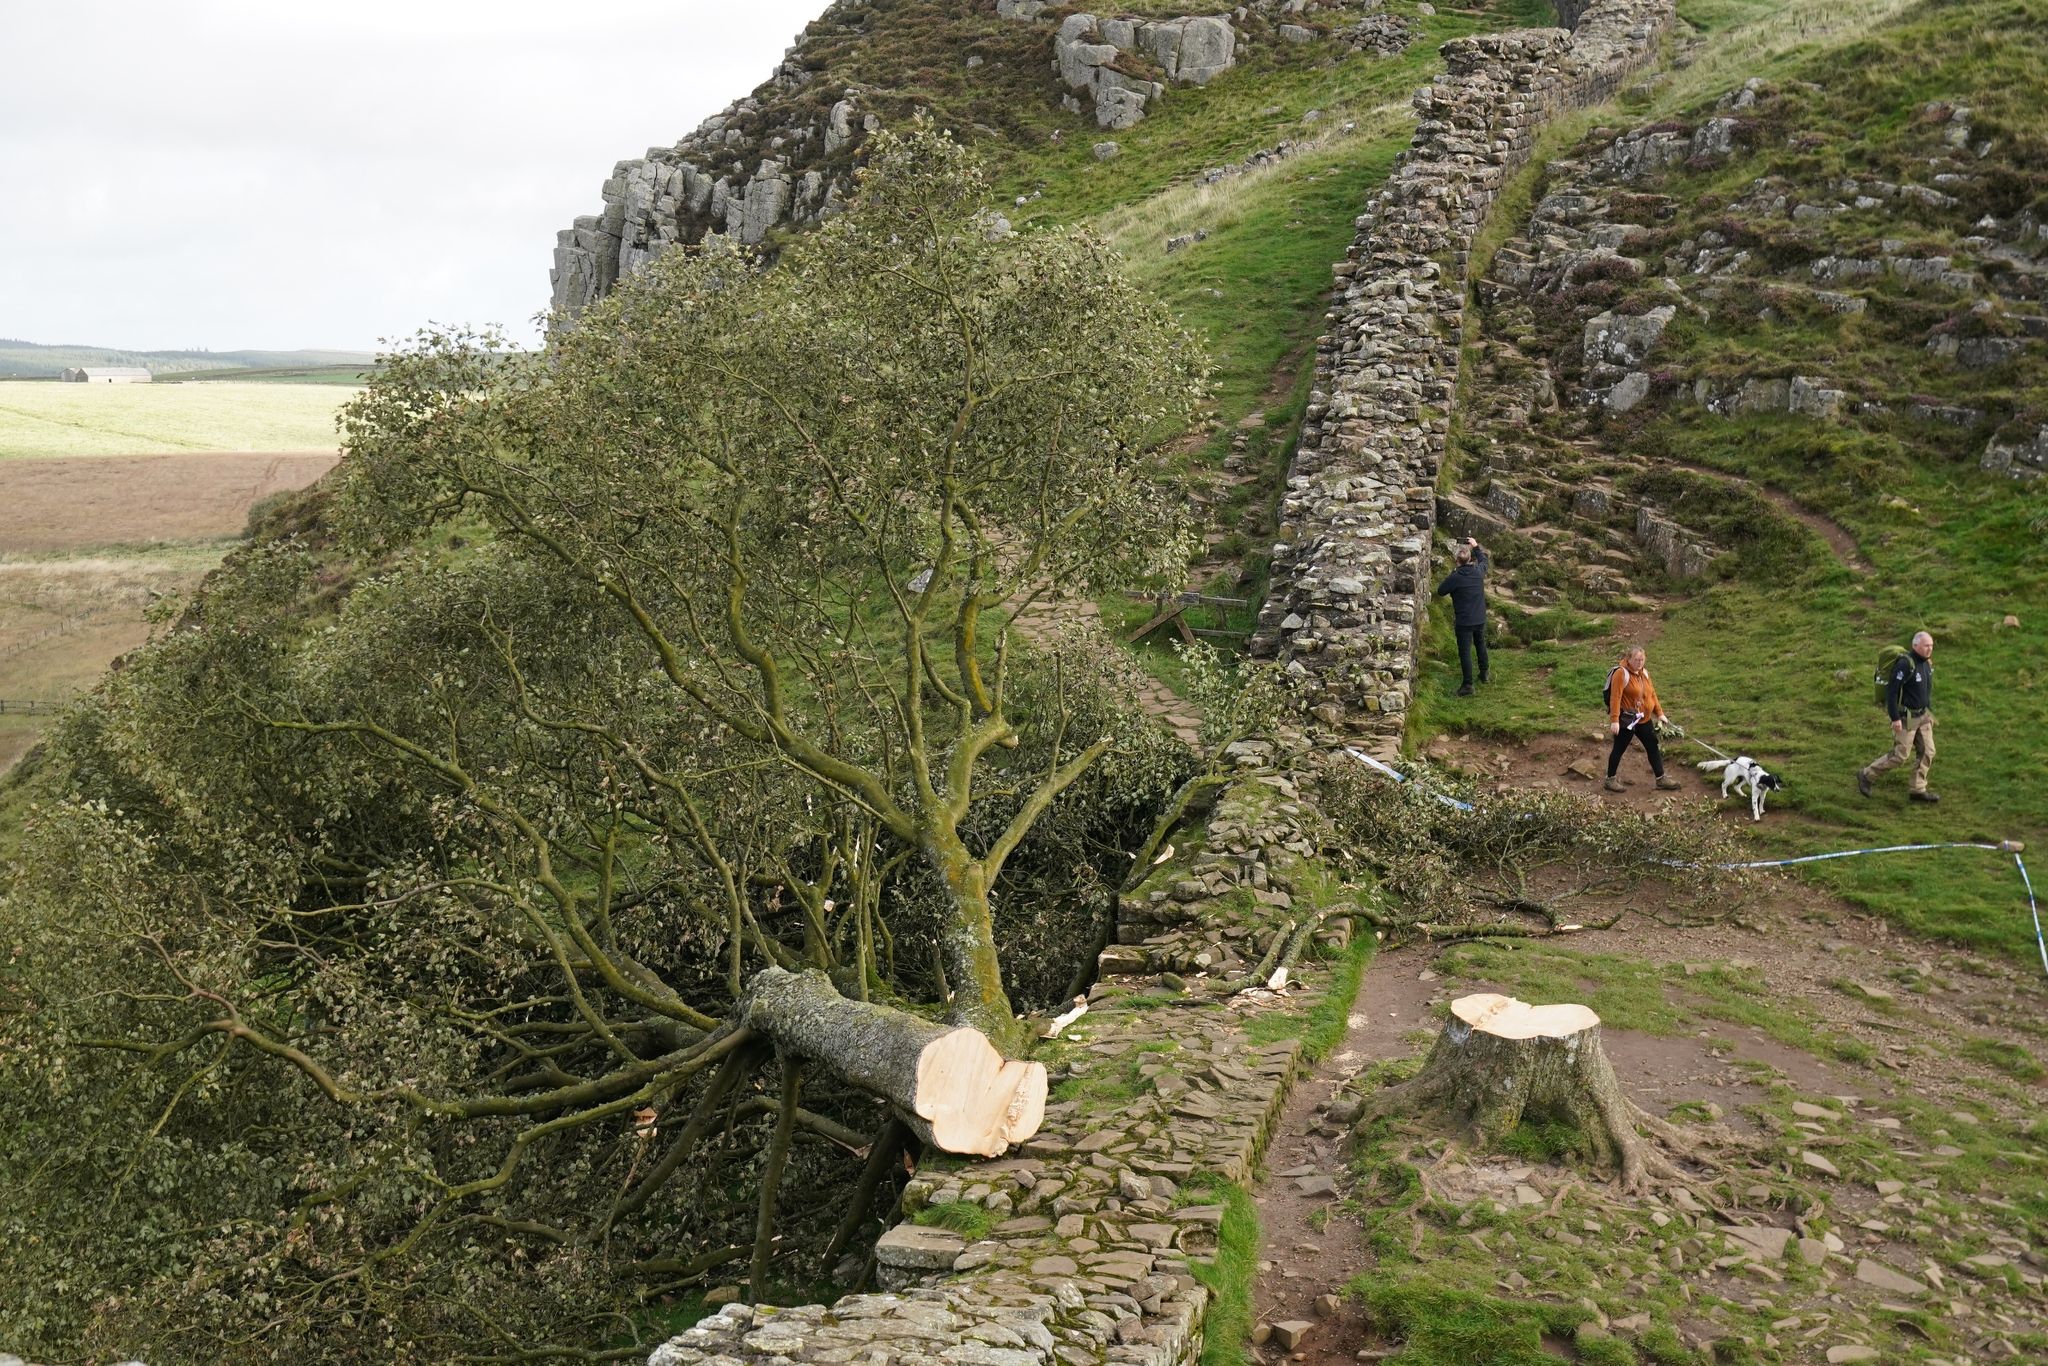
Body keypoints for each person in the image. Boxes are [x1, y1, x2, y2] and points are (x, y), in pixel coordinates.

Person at [1859, 631, 1938, 803]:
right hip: (1906, 717)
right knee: (1900, 756)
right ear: (1915, 645)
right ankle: (1866, 775)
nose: (1929, 649)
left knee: (1928, 751)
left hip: (1923, 716)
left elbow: (1925, 689)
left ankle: (1917, 789)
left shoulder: (1926, 663)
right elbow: (1892, 691)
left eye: (1931, 645)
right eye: (1926, 645)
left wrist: (1929, 712)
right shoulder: (1905, 664)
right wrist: (1895, 717)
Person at [1605, 646, 1682, 792]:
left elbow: (1652, 694)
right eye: (1636, 660)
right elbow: (1615, 698)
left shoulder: (1644, 673)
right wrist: (1614, 720)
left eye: (1642, 659)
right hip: (1627, 721)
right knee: (1619, 749)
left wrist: (1660, 713)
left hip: (1644, 718)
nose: (1640, 663)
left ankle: (1661, 779)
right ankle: (1610, 780)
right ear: (1629, 659)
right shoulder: (1621, 674)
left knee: (1652, 745)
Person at [1435, 536, 1490, 697]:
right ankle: (1484, 673)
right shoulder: (1478, 573)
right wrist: (1476, 545)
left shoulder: (1455, 577)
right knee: (1480, 644)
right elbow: (1484, 561)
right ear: (1469, 559)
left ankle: (1468, 685)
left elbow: (1440, 591)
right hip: (1479, 618)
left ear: (1456, 560)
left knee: (1465, 652)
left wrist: (1453, 574)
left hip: (1464, 621)